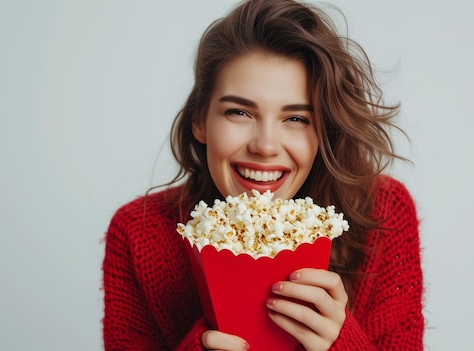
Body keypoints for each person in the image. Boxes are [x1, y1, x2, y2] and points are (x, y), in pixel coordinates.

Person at [102, 0, 424, 350]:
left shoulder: (383, 212)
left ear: (323, 130)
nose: (266, 146)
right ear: (200, 120)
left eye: (297, 118)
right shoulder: (140, 232)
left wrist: (341, 342)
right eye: (239, 112)